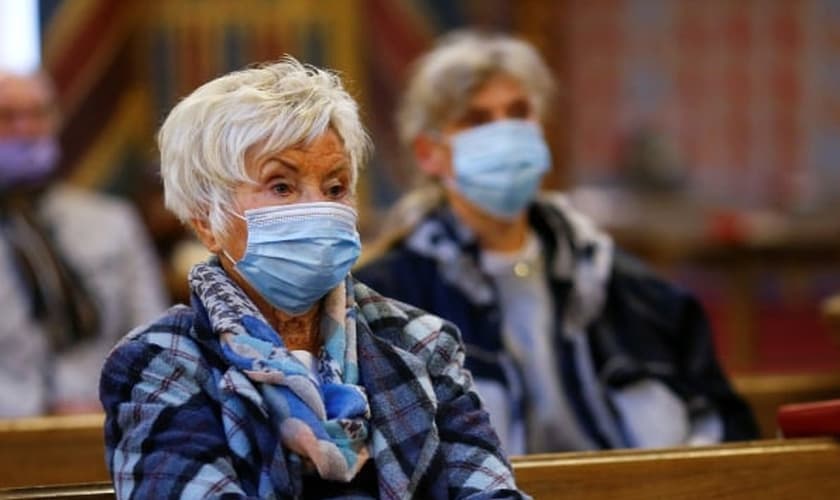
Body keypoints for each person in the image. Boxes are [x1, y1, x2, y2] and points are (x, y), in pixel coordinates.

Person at [98, 56, 526, 499]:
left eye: (336, 188)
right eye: (281, 186)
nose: (319, 208)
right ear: (208, 221)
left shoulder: (421, 342)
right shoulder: (163, 361)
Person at [355, 30, 758, 455]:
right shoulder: (384, 303)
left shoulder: (631, 292)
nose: (505, 134)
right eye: (477, 120)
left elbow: (727, 428)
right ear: (429, 153)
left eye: (518, 112)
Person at [0, 69, 167, 417]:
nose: (25, 129)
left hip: (108, 419)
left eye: (38, 113)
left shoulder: (111, 222)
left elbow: (154, 335)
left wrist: (113, 403)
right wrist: (38, 410)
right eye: (8, 116)